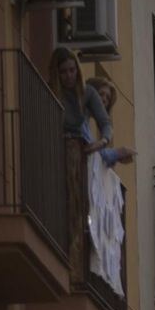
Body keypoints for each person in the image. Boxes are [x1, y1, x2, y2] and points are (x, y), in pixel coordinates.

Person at [48, 47, 110, 277]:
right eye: (63, 72)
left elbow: (105, 123)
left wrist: (101, 142)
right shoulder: (51, 90)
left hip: (78, 149)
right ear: (57, 73)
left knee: (77, 205)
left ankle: (75, 262)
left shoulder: (88, 93)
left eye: (72, 70)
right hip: (58, 146)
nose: (69, 76)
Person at [83, 78, 135, 165]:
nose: (104, 100)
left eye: (108, 98)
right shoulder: (80, 116)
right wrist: (117, 153)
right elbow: (88, 149)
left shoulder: (86, 122)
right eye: (101, 94)